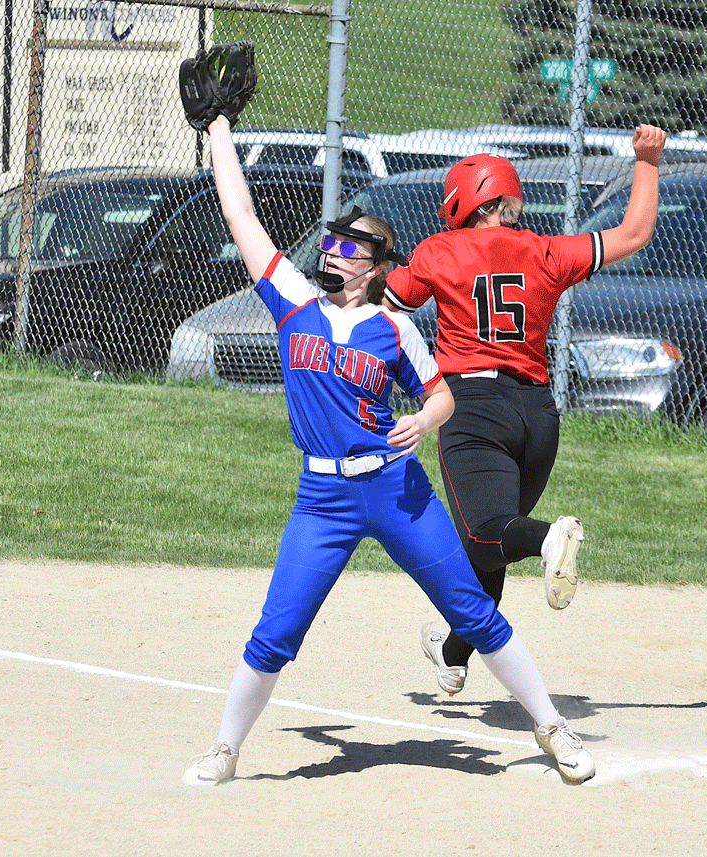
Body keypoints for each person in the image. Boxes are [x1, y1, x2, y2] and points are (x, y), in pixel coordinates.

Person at [181, 112, 596, 786]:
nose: (331, 253)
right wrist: (220, 128)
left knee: (473, 612)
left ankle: (552, 727)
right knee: (276, 631)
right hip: (323, 498)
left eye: (347, 247)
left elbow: (442, 396)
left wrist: (424, 420)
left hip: (397, 491)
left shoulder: (394, 329)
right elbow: (240, 215)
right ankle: (225, 749)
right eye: (331, 243)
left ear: (375, 268)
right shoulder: (293, 302)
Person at [383, 125, 667, 696]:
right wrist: (647, 160)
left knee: (487, 535)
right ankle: (453, 652)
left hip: (474, 408)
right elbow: (635, 233)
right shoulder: (547, 250)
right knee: (491, 545)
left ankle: (549, 539)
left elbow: (386, 307)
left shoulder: (439, 250)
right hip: (538, 415)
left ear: (464, 205)